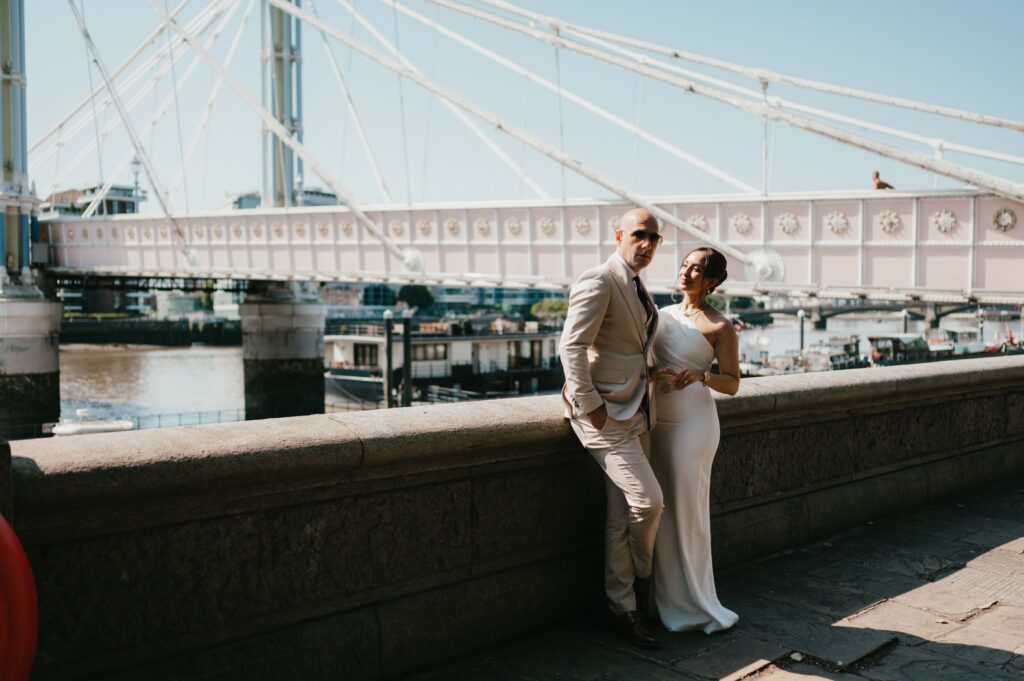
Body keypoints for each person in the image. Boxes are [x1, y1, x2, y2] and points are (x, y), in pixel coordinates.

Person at [559, 207, 665, 649]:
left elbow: (633, 345)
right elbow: (571, 345)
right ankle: (643, 580)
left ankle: (622, 610)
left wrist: (653, 374)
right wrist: (590, 406)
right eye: (639, 235)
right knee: (650, 503)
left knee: (621, 516)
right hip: (606, 417)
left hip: (637, 411)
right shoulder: (598, 279)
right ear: (619, 235)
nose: (647, 245)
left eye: (654, 239)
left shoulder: (638, 285)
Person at [649, 247, 740, 634]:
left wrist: (701, 376)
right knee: (660, 512)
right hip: (657, 421)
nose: (686, 273)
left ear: (712, 281)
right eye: (685, 265)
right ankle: (663, 599)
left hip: (693, 425)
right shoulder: (660, 315)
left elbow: (733, 383)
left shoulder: (720, 327)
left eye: (697, 269)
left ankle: (696, 604)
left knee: (686, 511)